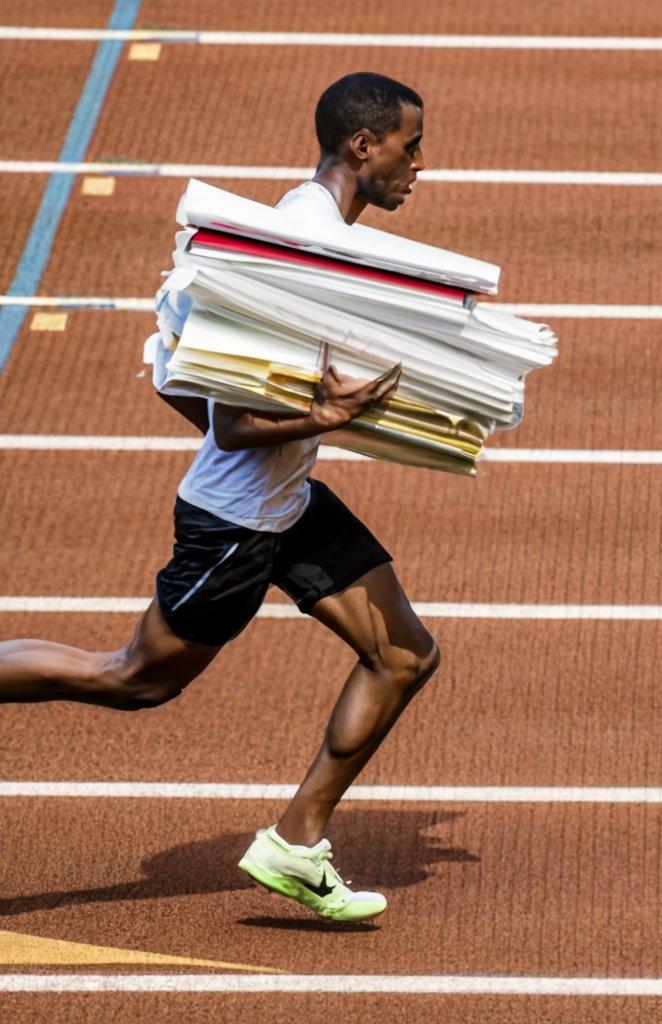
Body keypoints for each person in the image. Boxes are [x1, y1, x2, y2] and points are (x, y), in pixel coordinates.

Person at [0, 72, 438, 922]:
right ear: (362, 146)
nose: (418, 164)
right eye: (409, 145)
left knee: (404, 654)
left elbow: (171, 363)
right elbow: (234, 424)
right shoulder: (293, 252)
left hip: (289, 501)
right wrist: (328, 412)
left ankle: (295, 844)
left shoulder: (292, 231)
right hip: (234, 524)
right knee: (132, 680)